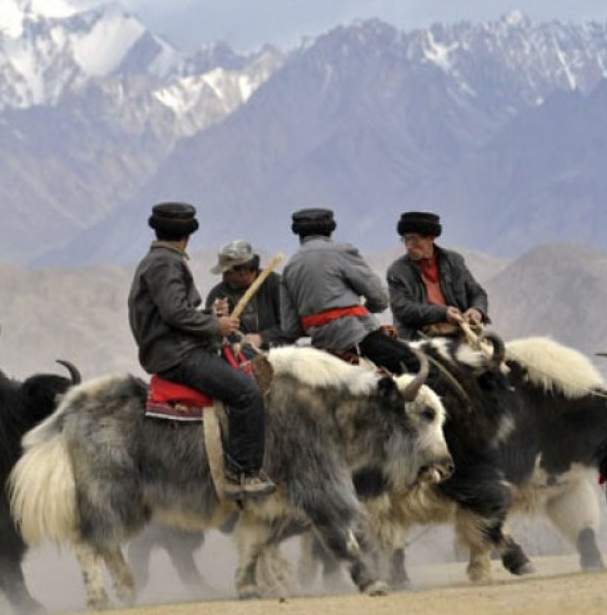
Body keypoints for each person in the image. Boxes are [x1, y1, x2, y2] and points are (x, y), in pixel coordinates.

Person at [128, 202, 275, 499]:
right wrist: (215, 327)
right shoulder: (165, 263)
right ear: (186, 237)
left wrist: (210, 315)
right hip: (178, 355)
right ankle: (242, 472)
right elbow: (175, 314)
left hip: (174, 348)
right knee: (246, 392)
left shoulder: (158, 260)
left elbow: (176, 312)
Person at [279, 208, 418, 373]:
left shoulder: (289, 267)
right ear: (330, 230)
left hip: (322, 344)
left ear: (298, 233)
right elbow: (380, 297)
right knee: (417, 366)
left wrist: (319, 325)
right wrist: (367, 310)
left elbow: (290, 328)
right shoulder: (342, 252)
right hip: (357, 337)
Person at [387, 211, 490, 340]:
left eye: (414, 239)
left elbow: (477, 293)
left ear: (430, 238)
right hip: (421, 338)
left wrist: (477, 310)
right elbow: (402, 309)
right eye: (405, 240)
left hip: (460, 332)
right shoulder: (397, 271)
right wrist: (442, 313)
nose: (408, 246)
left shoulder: (454, 261)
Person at [205, 240, 291, 351]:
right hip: (236, 358)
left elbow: (291, 325)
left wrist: (263, 337)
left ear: (244, 271)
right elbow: (211, 338)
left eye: (228, 272)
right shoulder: (218, 294)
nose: (224, 277)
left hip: (276, 354)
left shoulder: (276, 284)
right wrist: (218, 322)